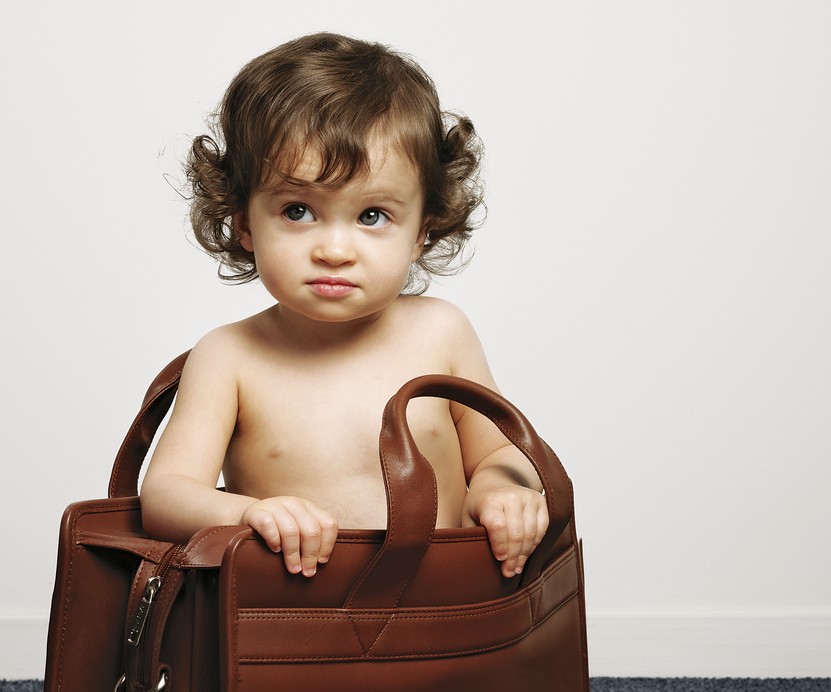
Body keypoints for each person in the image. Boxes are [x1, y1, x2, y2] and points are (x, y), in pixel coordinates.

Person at [140, 32, 547, 581]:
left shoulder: (441, 332)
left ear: (421, 233)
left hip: (440, 606)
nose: (334, 250)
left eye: (373, 215)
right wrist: (248, 512)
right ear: (243, 224)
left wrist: (502, 491)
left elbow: (501, 453)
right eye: (298, 211)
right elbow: (165, 495)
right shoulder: (229, 356)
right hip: (291, 611)